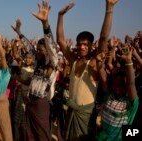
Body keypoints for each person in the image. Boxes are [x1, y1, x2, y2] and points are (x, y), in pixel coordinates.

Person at [56, 0, 118, 140]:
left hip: (86, 114)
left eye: (85, 44)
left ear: (91, 46)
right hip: (72, 110)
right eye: (79, 44)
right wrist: (60, 16)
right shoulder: (73, 61)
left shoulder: (94, 63)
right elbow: (60, 40)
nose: (82, 47)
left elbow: (103, 38)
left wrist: (109, 9)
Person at [11, 1, 59, 140]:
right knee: (30, 133)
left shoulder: (52, 61)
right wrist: (19, 32)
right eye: (37, 50)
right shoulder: (38, 61)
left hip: (42, 104)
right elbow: (28, 47)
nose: (38, 52)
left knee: (42, 135)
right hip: (30, 101)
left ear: (48, 52)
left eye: (41, 50)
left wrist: (45, 23)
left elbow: (50, 44)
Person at [95, 44, 139, 141]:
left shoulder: (130, 103)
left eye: (121, 86)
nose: (117, 88)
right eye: (115, 85)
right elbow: (103, 77)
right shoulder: (109, 95)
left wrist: (128, 61)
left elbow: (131, 83)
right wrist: (98, 62)